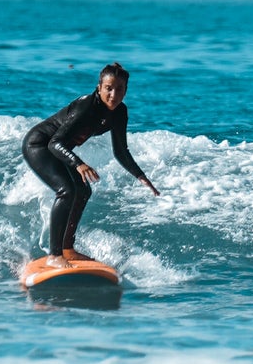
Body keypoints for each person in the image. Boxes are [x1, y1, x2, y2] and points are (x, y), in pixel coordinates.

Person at [22, 63, 159, 258]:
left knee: (83, 190)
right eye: (108, 88)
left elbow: (120, 150)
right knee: (67, 191)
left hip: (59, 149)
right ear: (99, 88)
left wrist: (140, 176)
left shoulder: (119, 112)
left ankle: (67, 249)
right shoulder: (86, 106)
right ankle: (54, 256)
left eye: (119, 89)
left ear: (126, 90)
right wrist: (79, 164)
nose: (113, 94)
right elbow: (55, 142)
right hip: (39, 145)